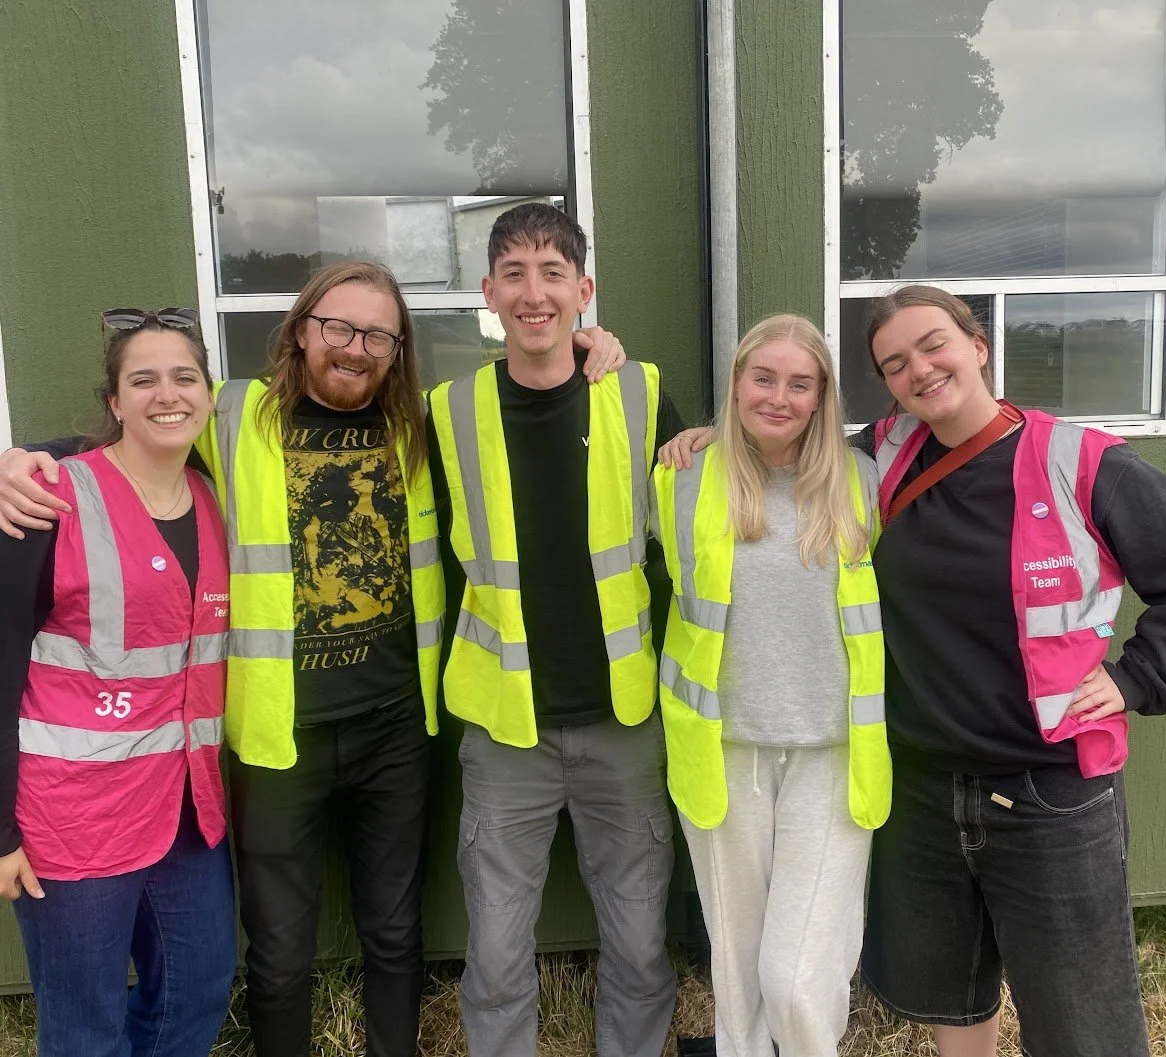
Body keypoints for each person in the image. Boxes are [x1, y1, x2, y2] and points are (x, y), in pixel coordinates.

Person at [0, 260, 626, 1057]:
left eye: (377, 334)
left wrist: (590, 342)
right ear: (302, 330)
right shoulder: (236, 415)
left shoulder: (424, 427)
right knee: (281, 949)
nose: (355, 347)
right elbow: (145, 427)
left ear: (396, 350)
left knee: (395, 933)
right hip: (277, 736)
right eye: (338, 327)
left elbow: (532, 395)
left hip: (397, 724)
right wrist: (26, 456)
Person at [661, 285, 1166, 1057]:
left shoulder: (1075, 461)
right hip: (928, 784)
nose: (920, 369)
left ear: (978, 344)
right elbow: (779, 435)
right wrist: (709, 435)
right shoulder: (887, 458)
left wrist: (1138, 678)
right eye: (895, 362)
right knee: (954, 995)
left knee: (1082, 1018)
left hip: (1049, 784)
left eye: (934, 344)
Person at [430, 202, 685, 1057]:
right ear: (488, 293)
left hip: (624, 718)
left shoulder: (640, 391)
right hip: (507, 729)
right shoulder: (448, 409)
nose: (533, 293)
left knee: (640, 945)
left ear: (584, 290)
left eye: (551, 274)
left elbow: (721, 488)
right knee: (498, 954)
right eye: (514, 274)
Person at [650, 314, 889, 1057]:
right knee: (738, 969)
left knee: (794, 974)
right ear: (736, 384)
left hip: (832, 753)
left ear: (821, 397)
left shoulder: (861, 479)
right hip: (721, 751)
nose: (779, 397)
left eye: (799, 382)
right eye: (763, 377)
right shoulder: (681, 474)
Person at [0, 308, 236, 1056]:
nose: (166, 395)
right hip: (72, 819)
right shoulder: (48, 498)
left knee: (197, 989)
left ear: (208, 392)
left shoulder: (215, 495)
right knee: (84, 1022)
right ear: (114, 401)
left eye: (183, 377)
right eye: (143, 379)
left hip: (186, 808)